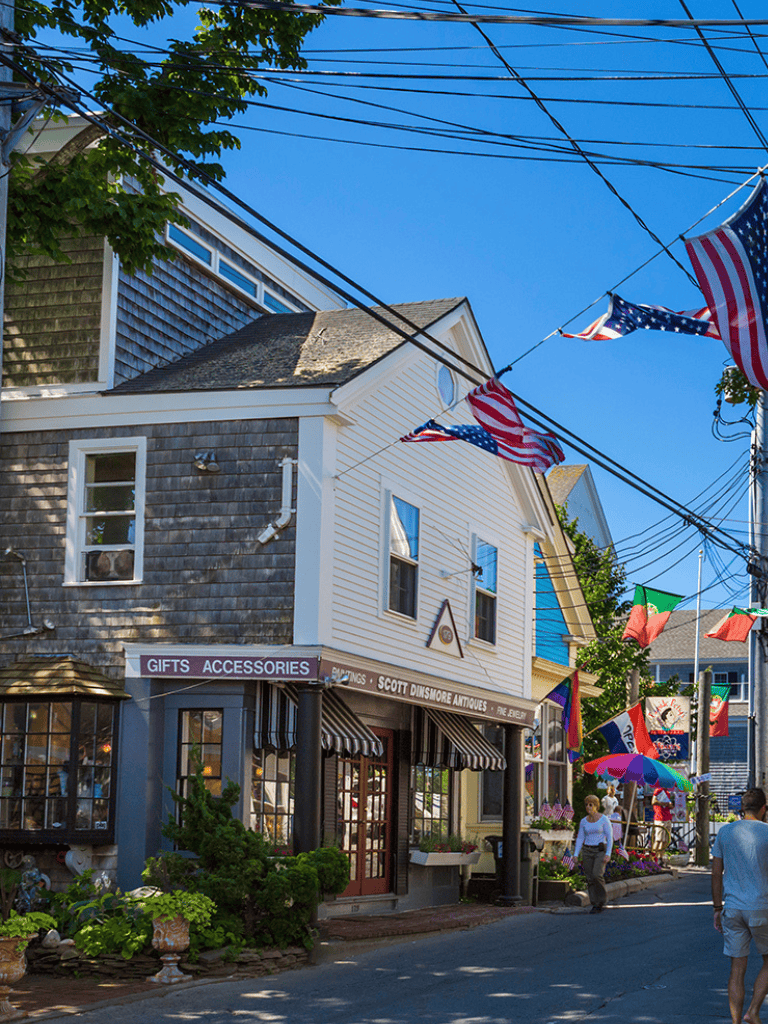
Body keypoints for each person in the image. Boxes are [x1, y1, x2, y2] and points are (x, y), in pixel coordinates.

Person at [712, 787, 768, 1024]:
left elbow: (716, 873)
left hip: (732, 908)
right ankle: (753, 1010)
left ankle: (735, 1022)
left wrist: (717, 908)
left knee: (737, 968)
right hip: (761, 906)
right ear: (764, 808)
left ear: (742, 808)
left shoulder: (725, 832)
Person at [573, 794, 613, 914]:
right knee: (590, 878)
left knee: (597, 875)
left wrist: (608, 853)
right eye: (586, 805)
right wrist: (576, 854)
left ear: (596, 806)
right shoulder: (584, 821)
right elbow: (580, 838)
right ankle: (595, 903)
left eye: (591, 805)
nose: (588, 807)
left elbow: (610, 837)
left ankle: (601, 899)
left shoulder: (603, 819)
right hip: (587, 850)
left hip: (600, 850)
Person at [651, 785, 673, 856]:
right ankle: (653, 858)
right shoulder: (659, 790)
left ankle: (660, 857)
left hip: (667, 817)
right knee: (658, 840)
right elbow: (653, 801)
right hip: (660, 818)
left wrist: (670, 805)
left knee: (666, 841)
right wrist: (663, 803)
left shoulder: (668, 793)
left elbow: (669, 806)